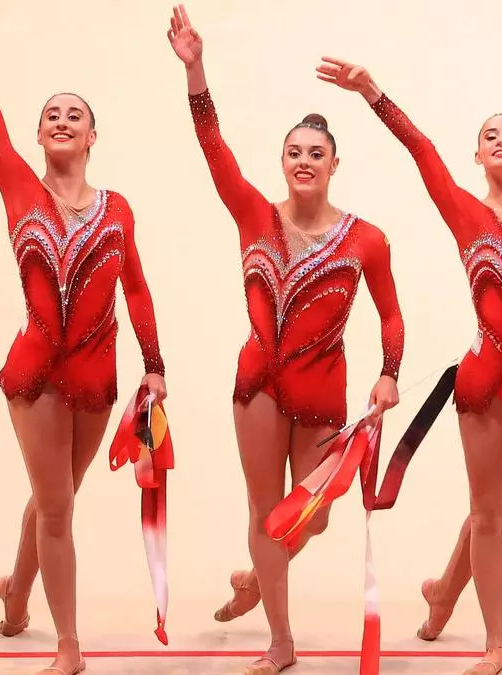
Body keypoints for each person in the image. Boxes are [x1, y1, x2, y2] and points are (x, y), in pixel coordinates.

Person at [0, 1, 168, 673]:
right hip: (36, 374)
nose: (61, 120)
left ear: (92, 135)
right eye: (51, 114)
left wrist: (155, 364)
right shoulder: (19, 187)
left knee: (57, 498)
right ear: (38, 133)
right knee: (56, 509)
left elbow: (136, 289)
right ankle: (69, 645)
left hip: (97, 377)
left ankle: (16, 594)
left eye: (74, 114)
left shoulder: (118, 209)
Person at [315, 54, 502, 675]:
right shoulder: (467, 213)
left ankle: (443, 591)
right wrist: (372, 92)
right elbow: (421, 150)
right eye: (489, 135)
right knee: (487, 516)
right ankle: (496, 642)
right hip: (483, 385)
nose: (501, 140)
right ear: (477, 156)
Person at [166, 6, 404, 674]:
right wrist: (195, 70)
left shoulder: (366, 239)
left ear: (334, 164)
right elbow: (212, 145)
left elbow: (391, 315)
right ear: (282, 161)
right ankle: (281, 639)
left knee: (314, 513)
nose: (304, 161)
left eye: (316, 154)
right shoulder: (253, 214)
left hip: (324, 389)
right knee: (265, 510)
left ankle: (257, 575)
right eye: (294, 153)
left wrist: (390, 371)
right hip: (260, 387)